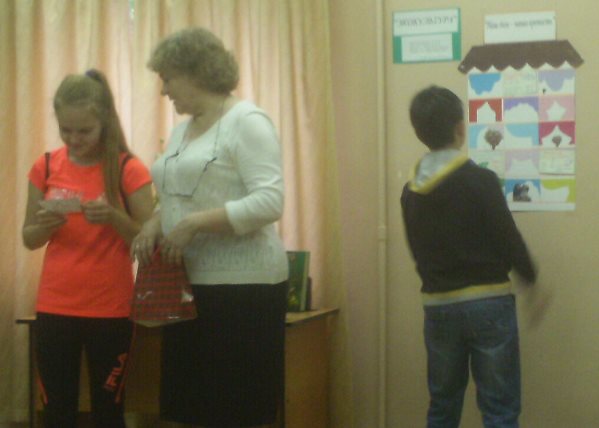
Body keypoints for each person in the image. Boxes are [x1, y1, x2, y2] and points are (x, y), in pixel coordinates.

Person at [131, 27, 289, 427]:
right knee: (187, 410)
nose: (164, 90)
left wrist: (195, 224)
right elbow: (179, 196)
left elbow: (270, 202)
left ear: (195, 71)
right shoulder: (183, 130)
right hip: (186, 287)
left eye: (168, 78)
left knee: (235, 411)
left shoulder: (247, 121)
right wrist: (154, 223)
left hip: (243, 291)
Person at [400, 85, 539, 428]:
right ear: (460, 128)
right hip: (489, 303)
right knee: (499, 409)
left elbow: (417, 250)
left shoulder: (411, 191)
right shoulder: (481, 180)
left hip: (438, 306)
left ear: (419, 132)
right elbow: (507, 238)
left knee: (442, 406)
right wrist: (530, 275)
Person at [22, 69, 154, 428]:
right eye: (66, 130)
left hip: (111, 308)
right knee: (56, 412)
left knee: (108, 412)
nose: (74, 139)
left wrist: (114, 218)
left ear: (104, 121)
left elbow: (148, 240)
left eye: (84, 131)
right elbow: (29, 238)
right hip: (55, 306)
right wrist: (45, 226)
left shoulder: (128, 168)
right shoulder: (45, 165)